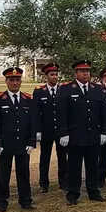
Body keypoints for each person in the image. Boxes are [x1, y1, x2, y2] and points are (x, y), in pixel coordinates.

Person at [56, 60, 106, 205]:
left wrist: (105, 131)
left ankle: (93, 192)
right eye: (82, 71)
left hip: (93, 134)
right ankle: (73, 193)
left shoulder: (97, 89)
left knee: (93, 165)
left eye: (87, 71)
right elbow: (61, 113)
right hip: (75, 136)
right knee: (74, 166)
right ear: (76, 73)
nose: (86, 73)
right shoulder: (66, 89)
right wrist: (63, 132)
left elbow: (104, 112)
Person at [0, 67, 36, 212]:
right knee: (3, 173)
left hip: (22, 143)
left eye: (17, 80)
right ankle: (2, 202)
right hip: (5, 143)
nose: (15, 83)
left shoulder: (28, 99)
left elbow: (32, 122)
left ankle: (26, 201)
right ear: (6, 81)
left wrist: (32, 141)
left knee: (24, 173)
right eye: (12, 80)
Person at [33, 63, 67, 193]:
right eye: (52, 75)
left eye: (56, 74)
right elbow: (35, 112)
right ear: (46, 76)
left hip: (60, 130)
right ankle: (44, 183)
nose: (55, 77)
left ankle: (63, 182)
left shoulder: (63, 90)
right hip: (46, 130)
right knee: (44, 157)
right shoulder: (39, 91)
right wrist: (37, 130)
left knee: (62, 157)